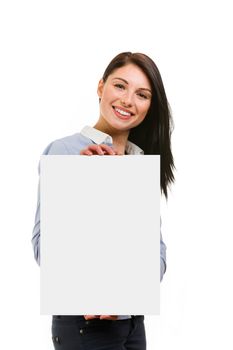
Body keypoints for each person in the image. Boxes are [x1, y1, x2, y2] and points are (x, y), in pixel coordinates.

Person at [32, 51, 175, 350]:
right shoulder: (66, 151)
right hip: (85, 327)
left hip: (134, 324)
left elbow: (156, 252)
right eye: (120, 86)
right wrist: (80, 190)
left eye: (142, 94)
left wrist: (131, 291)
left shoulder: (139, 161)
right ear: (101, 88)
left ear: (150, 106)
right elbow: (44, 246)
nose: (127, 100)